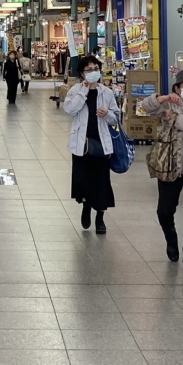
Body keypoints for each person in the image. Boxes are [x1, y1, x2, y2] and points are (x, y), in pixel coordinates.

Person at [141, 69, 183, 274]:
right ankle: (171, 239)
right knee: (164, 210)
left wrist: (175, 118)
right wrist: (162, 99)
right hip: (169, 165)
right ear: (177, 88)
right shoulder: (169, 103)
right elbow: (145, 107)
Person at [62, 52, 121, 234]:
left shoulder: (107, 92)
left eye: (96, 69)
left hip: (101, 143)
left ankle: (100, 217)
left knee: (101, 181)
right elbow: (70, 110)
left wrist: (107, 114)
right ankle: (86, 207)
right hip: (82, 144)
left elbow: (116, 118)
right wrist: (84, 92)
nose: (94, 72)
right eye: (89, 70)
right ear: (82, 73)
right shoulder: (75, 91)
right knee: (83, 181)